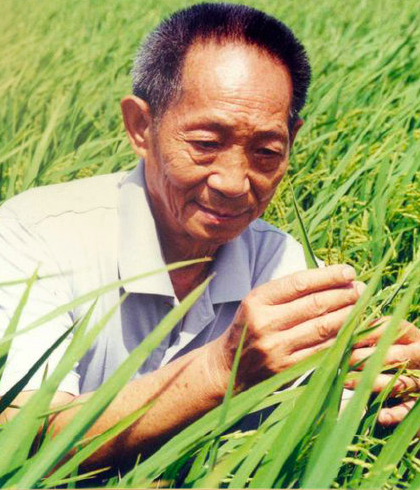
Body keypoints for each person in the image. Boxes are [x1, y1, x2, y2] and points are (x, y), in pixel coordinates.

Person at [1, 2, 419, 471]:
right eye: (205, 144)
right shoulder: (33, 235)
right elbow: (21, 438)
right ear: (141, 126)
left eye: (265, 151)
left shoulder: (280, 261)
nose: (234, 181)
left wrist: (382, 387)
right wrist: (221, 370)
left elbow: (309, 423)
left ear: (292, 140)